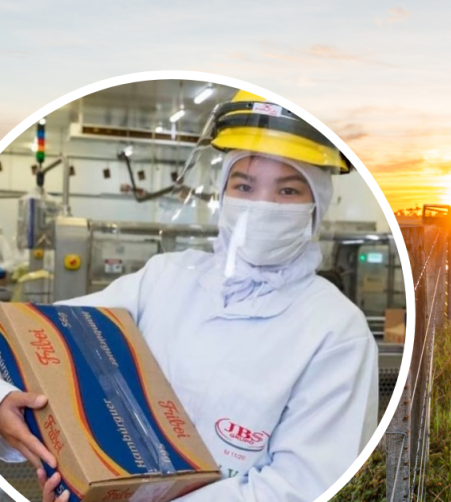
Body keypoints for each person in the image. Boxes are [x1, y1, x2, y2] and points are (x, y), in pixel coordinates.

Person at [0, 91, 379, 502]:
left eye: (288, 191)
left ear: (317, 205)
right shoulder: (164, 279)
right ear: (223, 192)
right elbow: (35, 338)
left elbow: (303, 485)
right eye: (244, 185)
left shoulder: (337, 330)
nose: (261, 206)